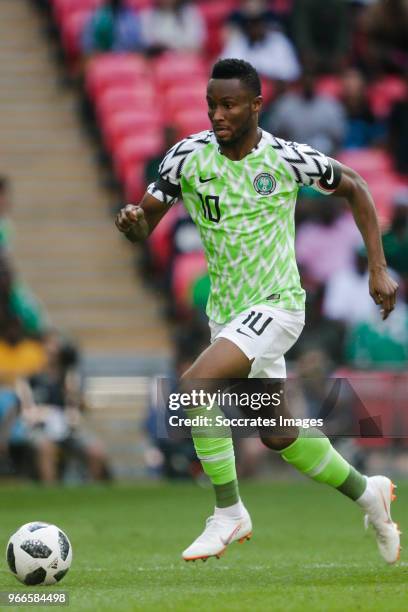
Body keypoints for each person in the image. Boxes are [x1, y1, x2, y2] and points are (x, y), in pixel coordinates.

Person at [115, 59, 400, 564]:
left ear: (255, 106)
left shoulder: (286, 159)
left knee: (193, 387)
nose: (218, 115)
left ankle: (228, 512)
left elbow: (355, 184)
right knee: (278, 433)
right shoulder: (186, 158)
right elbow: (146, 224)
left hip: (278, 306)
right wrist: (135, 222)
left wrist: (377, 268)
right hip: (227, 317)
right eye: (211, 106)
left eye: (228, 105)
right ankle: (369, 492)